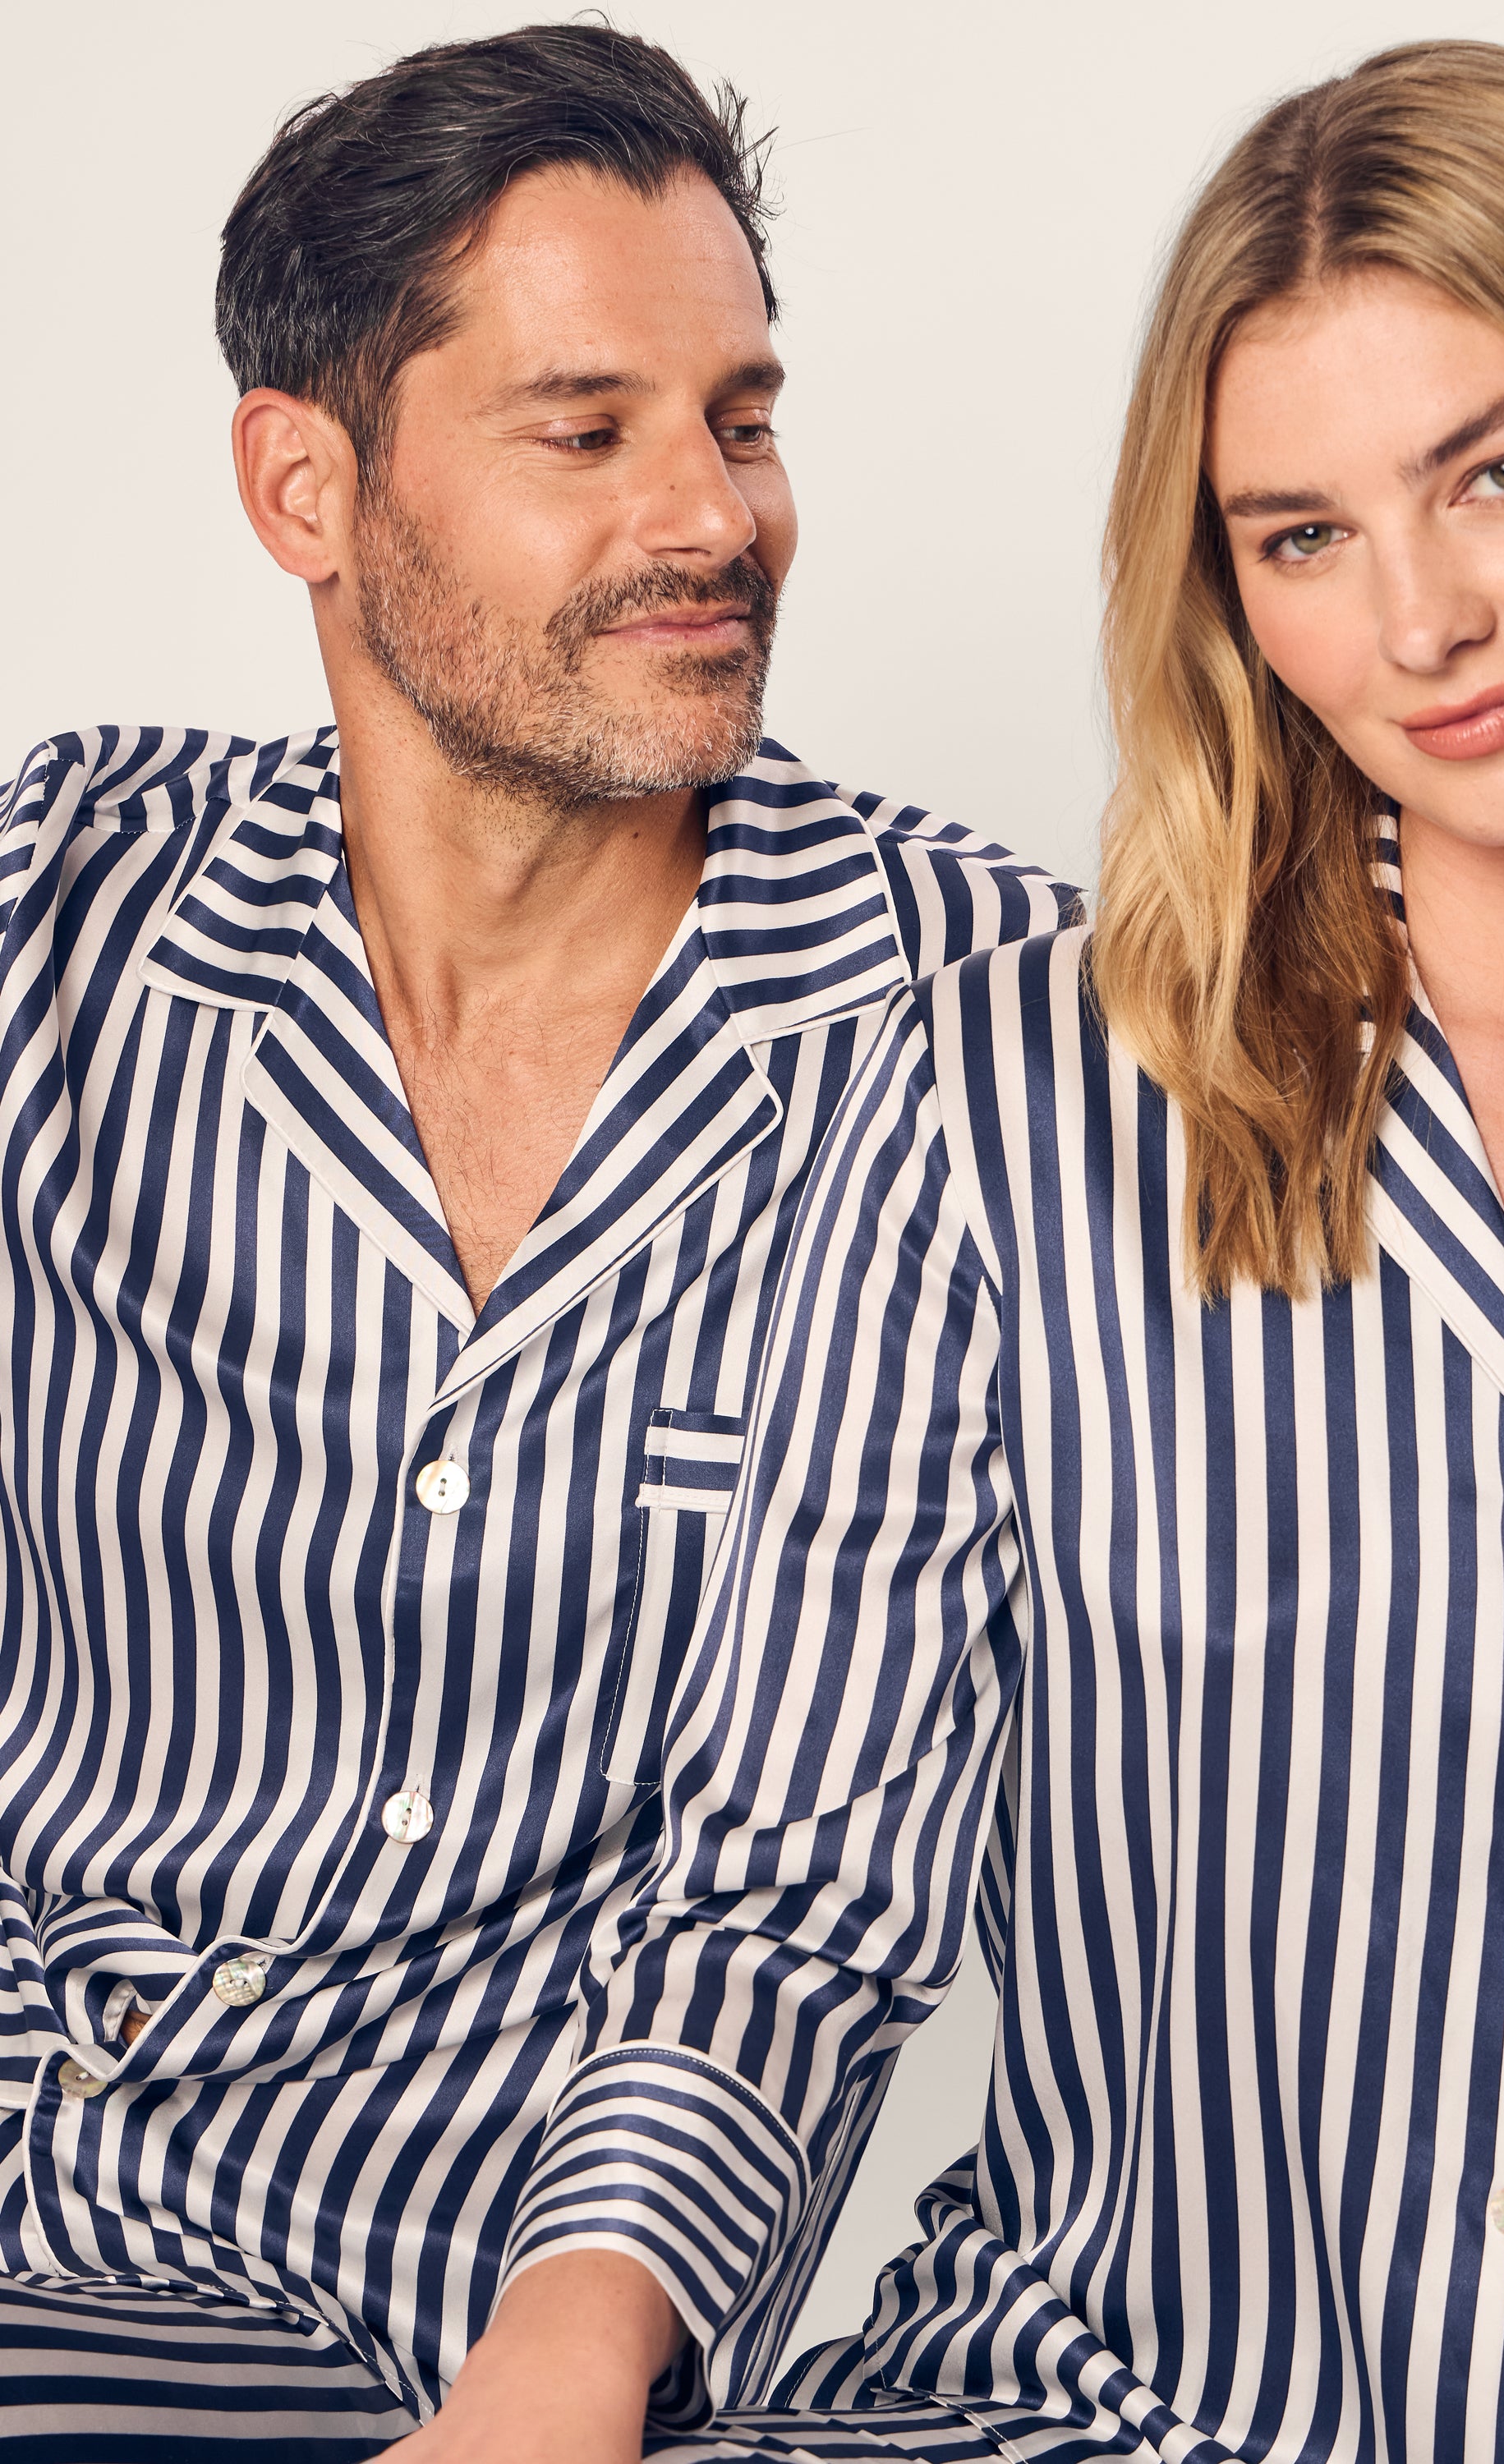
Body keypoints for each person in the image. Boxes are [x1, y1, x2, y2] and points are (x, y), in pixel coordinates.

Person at [438, 36, 1504, 2464]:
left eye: (1500, 470)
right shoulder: (994, 1111)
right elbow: (784, 1902)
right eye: (1303, 535)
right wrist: (563, 2358)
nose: (1429, 617)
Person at [0, 21, 1076, 2458]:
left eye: (745, 415)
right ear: (306, 486)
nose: (711, 514)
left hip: (462, 2327)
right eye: (587, 433)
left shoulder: (982, 1032)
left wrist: (556, 2385)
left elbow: (810, 1887)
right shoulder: (67, 899)